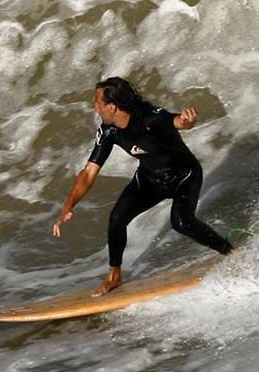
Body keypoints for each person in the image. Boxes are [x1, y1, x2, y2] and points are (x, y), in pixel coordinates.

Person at [52, 77, 233, 297]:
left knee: (182, 222)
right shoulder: (109, 131)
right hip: (150, 180)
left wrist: (187, 122)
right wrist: (68, 206)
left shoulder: (149, 117)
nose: (94, 107)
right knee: (117, 218)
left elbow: (175, 121)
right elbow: (89, 172)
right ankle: (114, 275)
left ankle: (231, 254)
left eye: (97, 102)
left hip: (184, 176)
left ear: (112, 106)